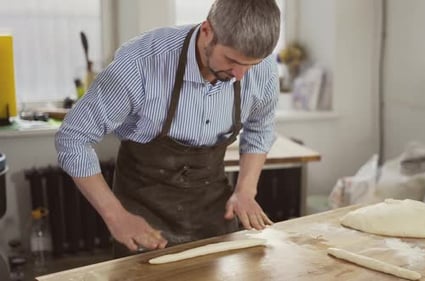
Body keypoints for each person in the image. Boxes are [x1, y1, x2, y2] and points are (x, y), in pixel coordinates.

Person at [55, 0, 281, 257]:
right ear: (207, 31)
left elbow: (259, 129)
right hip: (142, 214)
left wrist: (245, 191)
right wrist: (115, 214)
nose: (240, 74)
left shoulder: (262, 69)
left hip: (213, 213)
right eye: (231, 60)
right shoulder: (140, 63)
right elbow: (73, 137)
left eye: (250, 65)